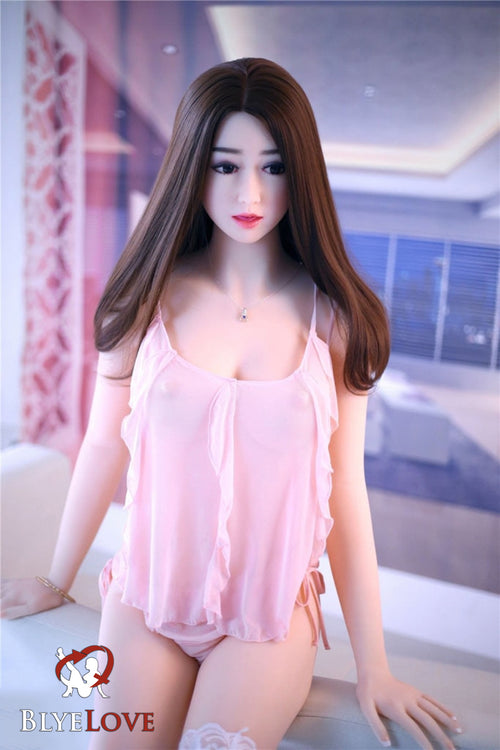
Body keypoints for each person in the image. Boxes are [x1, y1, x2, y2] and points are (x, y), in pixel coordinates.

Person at [1, 58, 462, 750]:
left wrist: (376, 666)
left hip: (266, 621)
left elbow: (346, 492)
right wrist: (55, 579)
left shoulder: (336, 321)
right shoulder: (143, 303)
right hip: (147, 601)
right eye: (225, 165)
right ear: (193, 168)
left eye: (273, 167)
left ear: (300, 174)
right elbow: (102, 445)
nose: (250, 192)